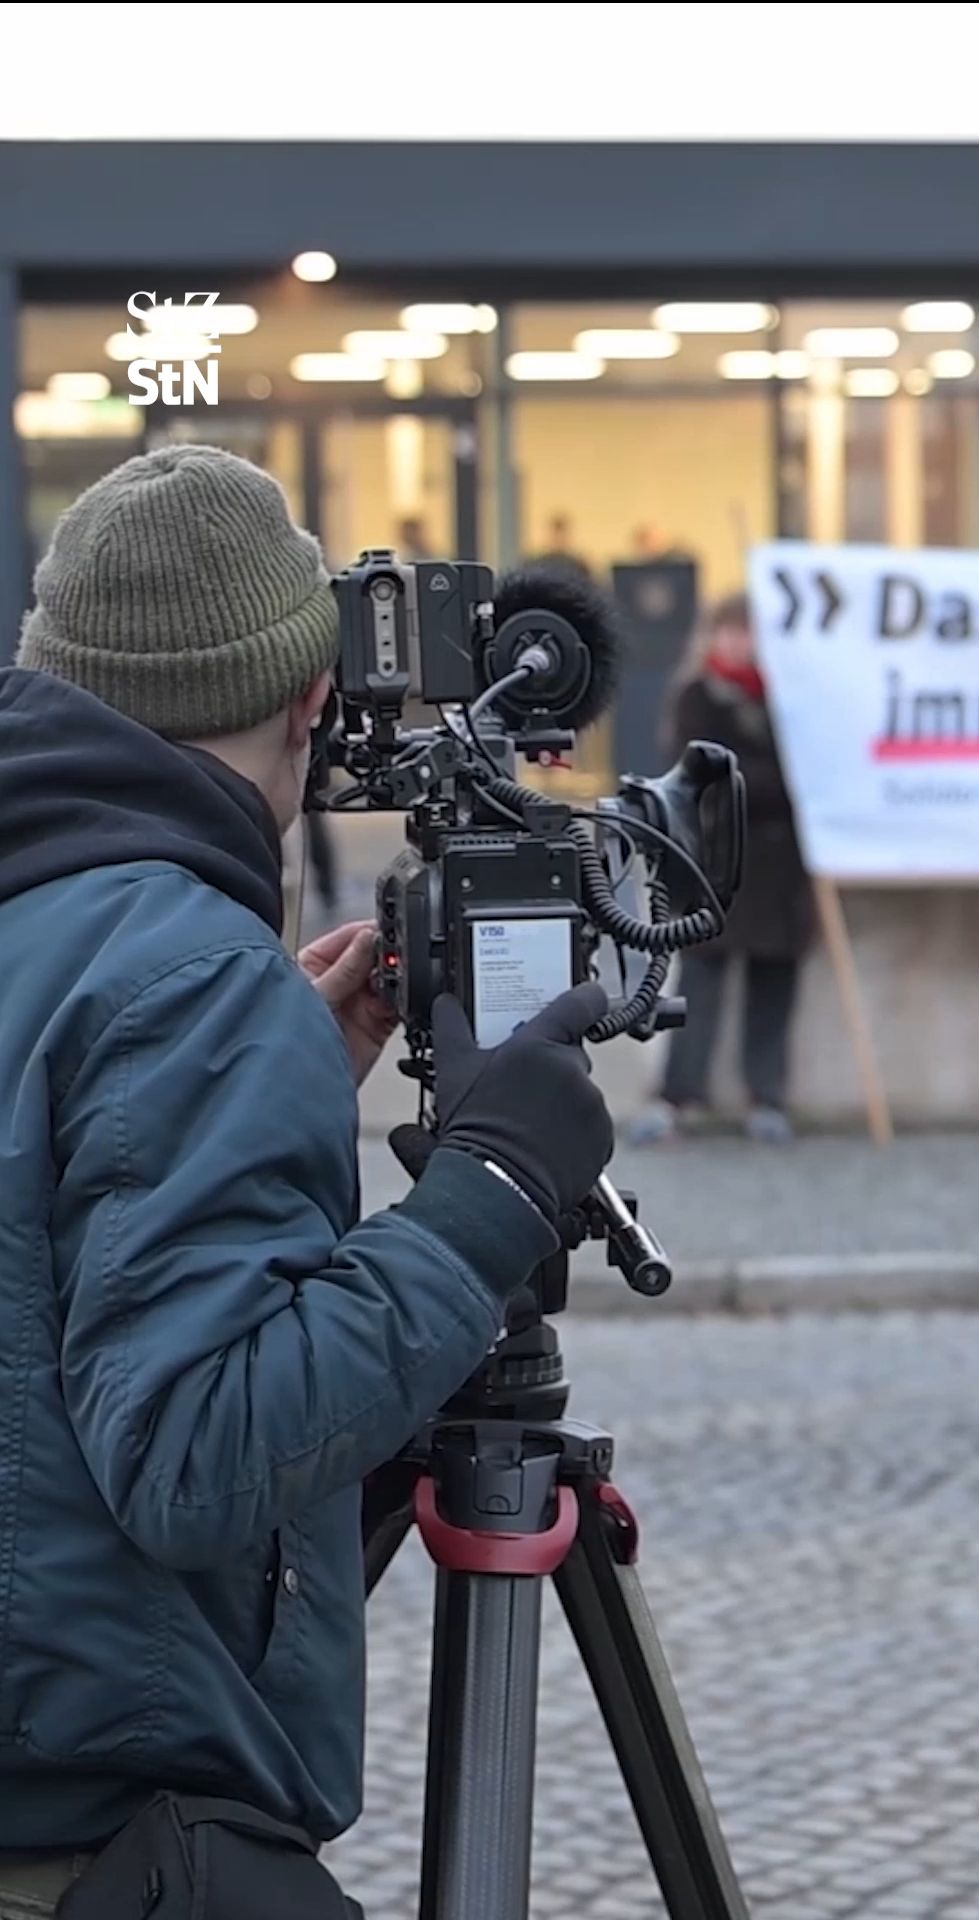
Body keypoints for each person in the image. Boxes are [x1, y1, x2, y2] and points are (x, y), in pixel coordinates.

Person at [0, 445, 613, 1917]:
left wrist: (269, 1088)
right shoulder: (192, 975)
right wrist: (491, 1197)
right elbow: (200, 1456)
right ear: (308, 700)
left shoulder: (53, 919)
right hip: (100, 1841)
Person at [631, 591, 812, 1146]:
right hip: (717, 864)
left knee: (772, 984)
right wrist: (773, 783)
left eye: (748, 631)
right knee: (701, 985)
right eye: (730, 631)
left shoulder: (790, 697)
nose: (739, 642)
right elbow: (711, 776)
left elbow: (807, 771)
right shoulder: (699, 696)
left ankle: (766, 1096)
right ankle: (679, 1095)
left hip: (780, 871)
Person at [529, 511, 593, 583]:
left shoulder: (579, 565)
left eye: (561, 535)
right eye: (555, 535)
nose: (558, 539)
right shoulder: (537, 564)